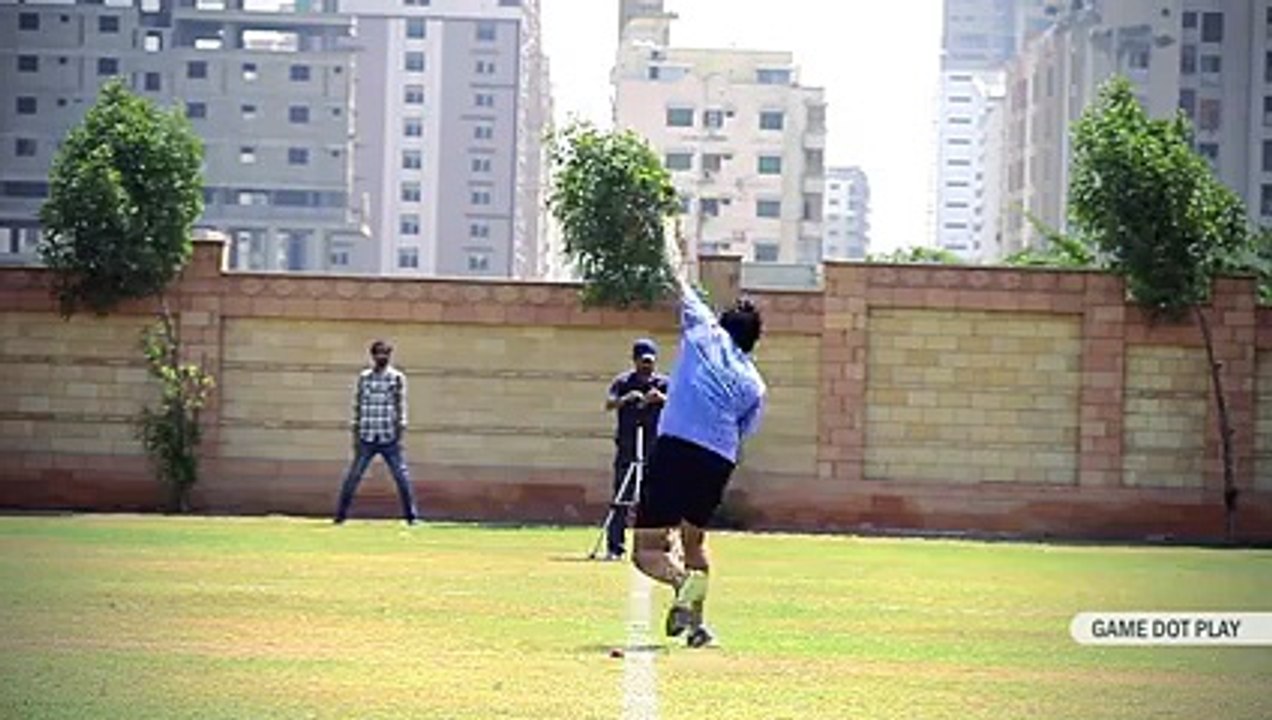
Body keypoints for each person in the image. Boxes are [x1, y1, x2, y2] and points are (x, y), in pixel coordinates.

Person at [631, 275, 766, 649]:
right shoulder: (754, 383)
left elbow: (676, 281)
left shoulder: (704, 330)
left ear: (723, 325)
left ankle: (680, 585)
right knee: (694, 542)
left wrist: (667, 237)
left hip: (677, 447)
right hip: (718, 459)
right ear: (754, 341)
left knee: (647, 550)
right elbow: (744, 430)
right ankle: (698, 628)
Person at [333, 340, 419, 525]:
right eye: (378, 353)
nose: (382, 357)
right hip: (367, 434)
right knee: (353, 476)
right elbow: (358, 405)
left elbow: (400, 405)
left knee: (401, 476)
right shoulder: (365, 377)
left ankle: (411, 517)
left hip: (388, 435)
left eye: (385, 353)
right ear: (372, 356)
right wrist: (356, 432)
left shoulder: (396, 377)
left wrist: (399, 430)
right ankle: (340, 515)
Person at [602, 338, 669, 560]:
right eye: (642, 362)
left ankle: (658, 546)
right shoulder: (623, 381)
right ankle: (615, 547)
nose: (646, 366)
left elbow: (678, 407)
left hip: (654, 449)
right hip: (628, 448)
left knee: (657, 499)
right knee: (622, 497)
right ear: (634, 360)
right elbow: (609, 404)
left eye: (650, 362)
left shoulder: (662, 383)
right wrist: (626, 399)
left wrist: (661, 399)